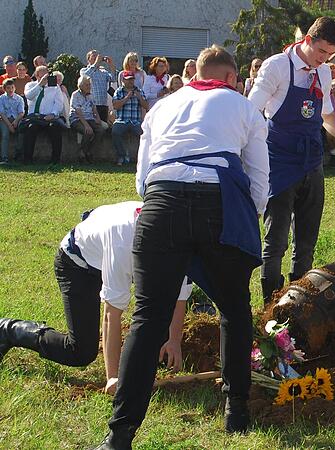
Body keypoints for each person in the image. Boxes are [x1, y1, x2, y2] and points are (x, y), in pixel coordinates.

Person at [91, 45, 271, 450]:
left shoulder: (162, 107)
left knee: (148, 317)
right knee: (234, 309)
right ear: (230, 78)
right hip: (218, 203)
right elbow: (260, 179)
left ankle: (119, 435)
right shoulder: (243, 107)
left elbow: (143, 180)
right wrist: (247, 217)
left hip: (162, 204)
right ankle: (236, 410)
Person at [0, 201, 193, 396]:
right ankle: (9, 331)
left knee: (159, 338)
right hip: (77, 265)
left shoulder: (181, 240)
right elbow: (111, 315)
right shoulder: (123, 244)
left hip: (113, 243)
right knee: (80, 351)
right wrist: (114, 378)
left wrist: (174, 340)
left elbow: (179, 293)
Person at [248, 17, 335, 303]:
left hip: (312, 162)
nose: (325, 59)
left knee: (306, 243)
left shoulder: (323, 72)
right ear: (308, 40)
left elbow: (326, 116)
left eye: (331, 54)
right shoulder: (276, 66)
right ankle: (271, 306)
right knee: (275, 243)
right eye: (322, 52)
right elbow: (250, 111)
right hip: (280, 162)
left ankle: (298, 306)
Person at [21, 65, 67, 164]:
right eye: (43, 76)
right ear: (37, 76)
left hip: (48, 117)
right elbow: (28, 96)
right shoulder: (30, 85)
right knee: (30, 128)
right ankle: (27, 159)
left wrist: (53, 114)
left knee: (54, 127)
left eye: (47, 75)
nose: (46, 78)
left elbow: (59, 103)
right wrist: (39, 85)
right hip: (35, 117)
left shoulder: (55, 87)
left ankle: (55, 160)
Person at [111, 71, 148, 166]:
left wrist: (139, 97)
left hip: (135, 122)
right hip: (122, 120)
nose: (130, 82)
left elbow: (146, 106)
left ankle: (142, 158)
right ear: (123, 80)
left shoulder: (139, 91)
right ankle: (122, 156)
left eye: (132, 79)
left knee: (144, 134)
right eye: (128, 80)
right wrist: (127, 97)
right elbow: (115, 106)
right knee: (115, 132)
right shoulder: (119, 91)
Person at [70, 75, 108, 163]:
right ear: (81, 86)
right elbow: (78, 112)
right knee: (87, 131)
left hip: (90, 118)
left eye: (89, 85)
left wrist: (98, 118)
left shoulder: (91, 95)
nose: (89, 87)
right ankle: (82, 153)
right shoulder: (75, 95)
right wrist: (86, 125)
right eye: (87, 85)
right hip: (77, 119)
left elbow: (94, 108)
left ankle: (89, 151)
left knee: (101, 130)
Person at [80, 50, 117, 123]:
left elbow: (113, 79)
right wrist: (96, 63)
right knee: (94, 125)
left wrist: (111, 65)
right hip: (91, 105)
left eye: (97, 56)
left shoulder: (103, 71)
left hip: (103, 104)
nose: (96, 57)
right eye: (94, 56)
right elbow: (86, 77)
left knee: (104, 126)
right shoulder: (84, 70)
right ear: (88, 59)